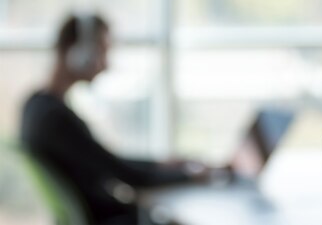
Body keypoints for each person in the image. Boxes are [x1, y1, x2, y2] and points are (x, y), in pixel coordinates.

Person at [20, 13, 213, 225]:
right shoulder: (55, 119)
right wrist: (189, 176)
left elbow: (105, 160)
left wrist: (161, 165)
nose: (105, 64)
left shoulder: (35, 105)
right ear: (78, 53)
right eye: (102, 51)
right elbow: (126, 175)